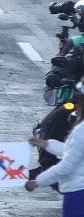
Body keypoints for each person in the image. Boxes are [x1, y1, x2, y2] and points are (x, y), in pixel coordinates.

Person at [25, 78, 84, 215]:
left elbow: (67, 167)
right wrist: (46, 144)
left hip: (78, 195)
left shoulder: (81, 130)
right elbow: (76, 152)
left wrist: (37, 182)